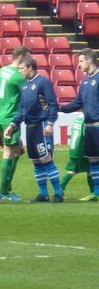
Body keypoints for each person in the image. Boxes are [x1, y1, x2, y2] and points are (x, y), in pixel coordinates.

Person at [4, 55, 62, 202]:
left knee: (46, 158)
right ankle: (43, 194)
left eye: (22, 69)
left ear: (30, 68)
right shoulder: (24, 86)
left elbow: (52, 104)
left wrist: (50, 123)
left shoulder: (43, 82)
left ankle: (58, 193)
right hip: (29, 127)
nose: (20, 72)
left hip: (42, 125)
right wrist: (12, 125)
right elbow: (21, 110)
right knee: (36, 160)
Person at [59, 48, 99, 202]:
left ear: (89, 60)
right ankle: (96, 192)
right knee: (93, 159)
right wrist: (61, 108)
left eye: (81, 61)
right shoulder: (85, 81)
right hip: (89, 126)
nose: (79, 65)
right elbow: (78, 103)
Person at [0, 46, 30, 202]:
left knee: (17, 151)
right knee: (10, 152)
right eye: (27, 57)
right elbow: (28, 96)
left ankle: (6, 189)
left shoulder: (2, 71)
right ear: (20, 56)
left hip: (1, 115)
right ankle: (4, 191)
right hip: (11, 117)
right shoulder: (20, 76)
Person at [61, 115, 95, 200]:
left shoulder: (78, 118)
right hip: (82, 149)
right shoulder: (89, 119)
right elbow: (86, 134)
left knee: (87, 169)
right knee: (78, 170)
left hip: (74, 148)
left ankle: (93, 193)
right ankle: (60, 189)